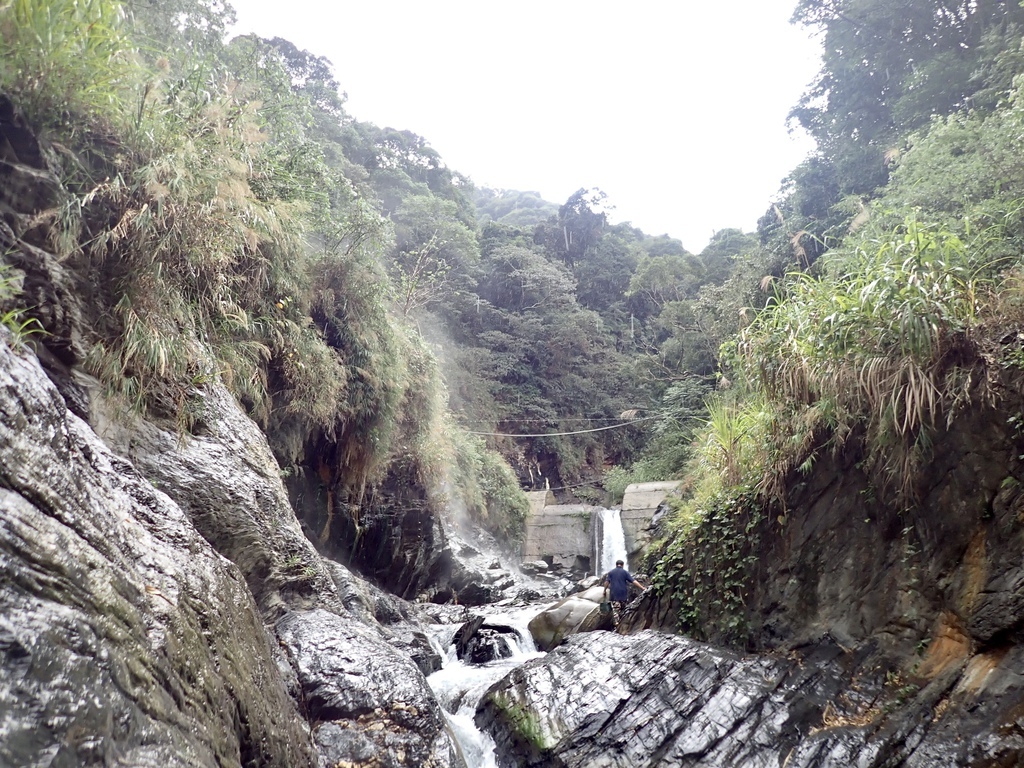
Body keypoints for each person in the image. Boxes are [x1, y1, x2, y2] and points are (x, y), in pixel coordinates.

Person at [602, 560, 644, 628]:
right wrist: (642, 588)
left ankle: (616, 624)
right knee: (624, 609)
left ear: (616, 565)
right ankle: (625, 624)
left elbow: (607, 582)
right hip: (623, 594)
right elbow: (633, 581)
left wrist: (604, 590)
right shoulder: (625, 572)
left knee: (615, 610)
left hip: (614, 594)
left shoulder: (611, 572)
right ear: (622, 565)